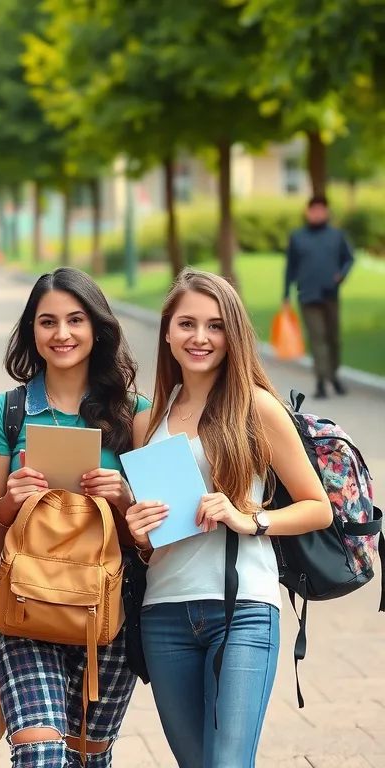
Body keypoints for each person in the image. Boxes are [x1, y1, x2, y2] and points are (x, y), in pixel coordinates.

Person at [127, 269, 332, 768]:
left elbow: (318, 507)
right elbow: (157, 541)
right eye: (187, 324)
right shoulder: (146, 422)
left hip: (242, 610)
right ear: (167, 332)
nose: (200, 338)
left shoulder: (256, 408)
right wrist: (139, 534)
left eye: (215, 325)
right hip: (164, 613)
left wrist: (250, 518)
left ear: (233, 334)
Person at [0, 267, 146, 767]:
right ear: (31, 330)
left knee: (87, 758)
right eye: (47, 322)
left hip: (106, 614)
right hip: (25, 607)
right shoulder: (5, 412)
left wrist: (124, 499)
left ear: (97, 328)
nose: (62, 334)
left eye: (76, 320)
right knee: (42, 755)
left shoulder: (135, 413)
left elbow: (157, 532)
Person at [283, 194, 355, 398]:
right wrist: (286, 294)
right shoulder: (297, 237)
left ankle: (333, 376)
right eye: (313, 209)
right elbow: (290, 267)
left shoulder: (337, 236)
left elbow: (349, 259)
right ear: (308, 212)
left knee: (333, 338)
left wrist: (341, 275)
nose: (317, 213)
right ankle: (321, 381)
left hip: (331, 295)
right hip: (308, 296)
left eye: (321, 209)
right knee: (317, 338)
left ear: (327, 211)